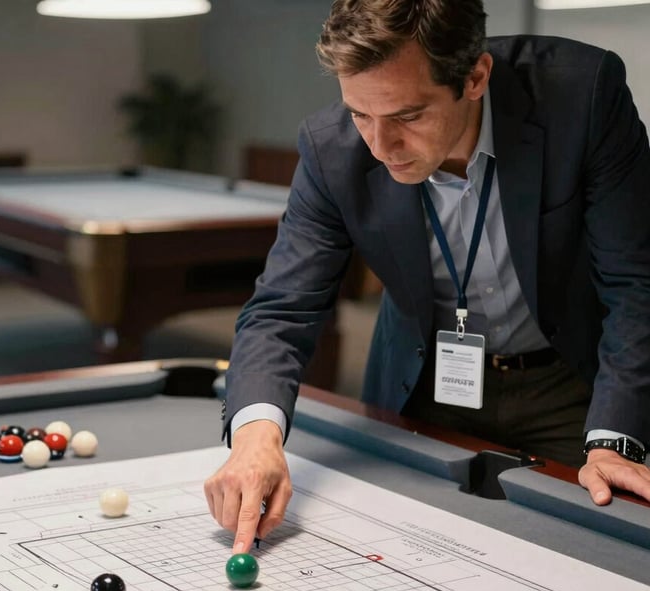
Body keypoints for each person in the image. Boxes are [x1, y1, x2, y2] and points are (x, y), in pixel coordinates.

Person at [204, 0, 650, 554]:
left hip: (567, 382)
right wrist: (255, 437)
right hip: (422, 382)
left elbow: (635, 283)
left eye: (408, 116)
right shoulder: (331, 149)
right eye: (360, 115)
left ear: (475, 77)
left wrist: (614, 441)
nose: (380, 146)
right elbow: (282, 307)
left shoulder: (582, 97)